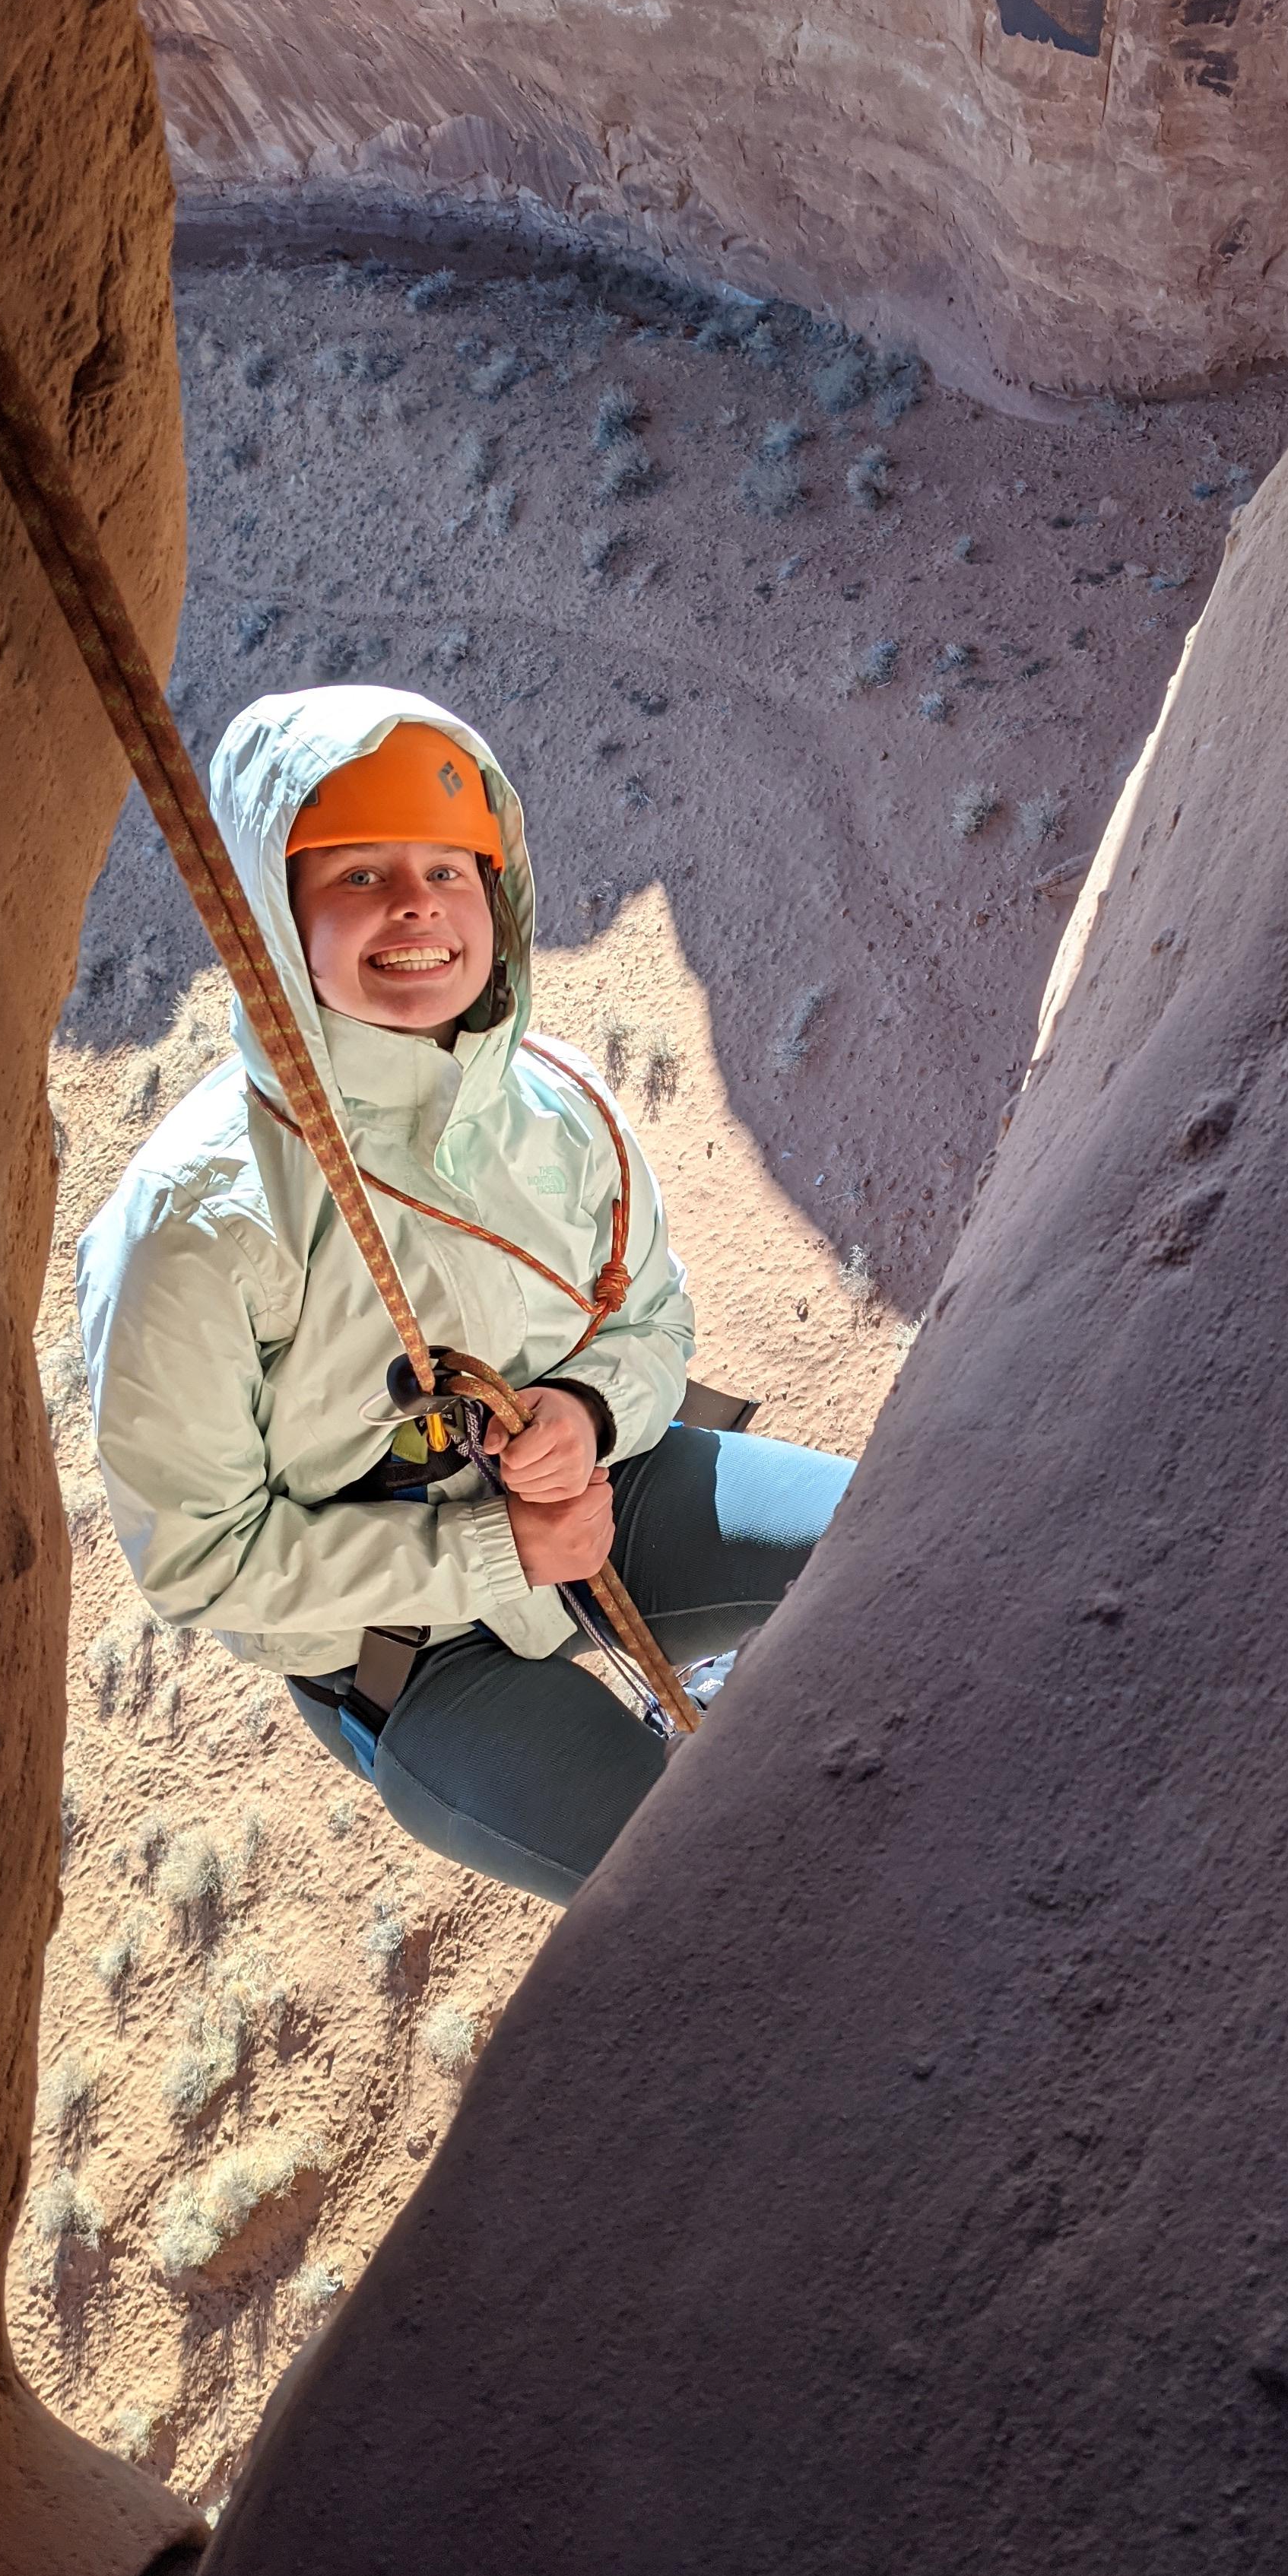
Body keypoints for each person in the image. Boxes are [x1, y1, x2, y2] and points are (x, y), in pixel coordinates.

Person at [77, 684, 851, 1904]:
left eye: (450, 867)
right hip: (414, 1653)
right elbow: (205, 1563)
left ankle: (703, 1685)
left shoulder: (559, 1104)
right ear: (271, 920)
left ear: (500, 894)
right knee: (704, 1903)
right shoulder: (197, 1227)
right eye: (358, 877)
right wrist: (496, 1549)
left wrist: (586, 1417)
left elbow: (648, 1323)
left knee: (890, 1545)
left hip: (609, 1498)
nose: (416, 906)